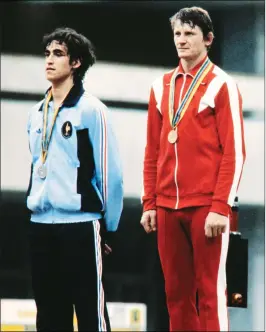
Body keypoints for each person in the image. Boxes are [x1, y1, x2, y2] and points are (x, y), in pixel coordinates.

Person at [140, 7, 246, 332]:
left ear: (208, 39)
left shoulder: (221, 85)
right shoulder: (161, 86)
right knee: (176, 295)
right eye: (177, 34)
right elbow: (152, 150)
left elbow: (235, 152)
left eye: (190, 34)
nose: (182, 40)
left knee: (211, 293)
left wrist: (220, 207)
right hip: (167, 207)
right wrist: (149, 203)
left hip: (206, 207)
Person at [26, 27, 123, 332]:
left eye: (58, 54)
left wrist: (108, 228)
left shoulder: (92, 110)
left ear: (76, 62)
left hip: (81, 225)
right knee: (49, 316)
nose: (49, 61)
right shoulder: (36, 113)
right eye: (47, 54)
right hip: (41, 225)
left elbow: (111, 175)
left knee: (90, 313)